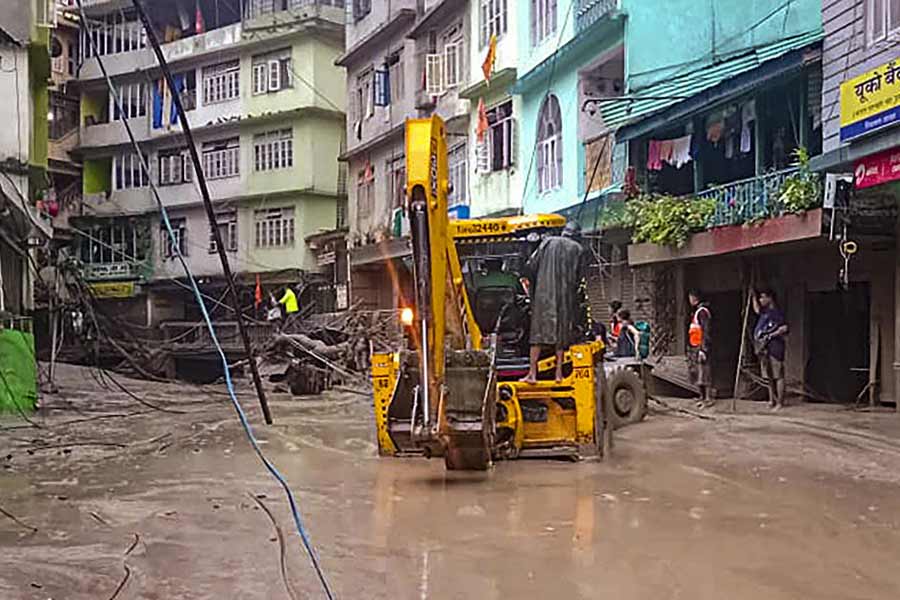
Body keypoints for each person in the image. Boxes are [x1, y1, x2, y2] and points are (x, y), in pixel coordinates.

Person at [522, 221, 585, 383]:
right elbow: (579, 278)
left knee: (537, 336)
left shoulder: (548, 242)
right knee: (561, 338)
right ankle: (558, 374)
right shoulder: (578, 249)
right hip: (565, 298)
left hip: (544, 297)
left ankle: (532, 374)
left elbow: (530, 266)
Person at [752, 288, 789, 410]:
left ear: (770, 298)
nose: (761, 300)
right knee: (768, 376)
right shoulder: (765, 312)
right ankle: (771, 400)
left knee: (778, 375)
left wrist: (770, 335)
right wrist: (752, 293)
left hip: (775, 347)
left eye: (763, 297)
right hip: (764, 348)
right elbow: (756, 309)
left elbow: (784, 328)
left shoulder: (776, 313)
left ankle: (780, 402)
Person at [687, 289, 713, 408]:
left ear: (696, 298)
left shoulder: (703, 312)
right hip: (694, 346)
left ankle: (708, 398)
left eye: (691, 297)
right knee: (697, 373)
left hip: (700, 347)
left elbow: (706, 331)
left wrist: (703, 349)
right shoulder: (696, 312)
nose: (690, 300)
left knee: (704, 372)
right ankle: (701, 397)